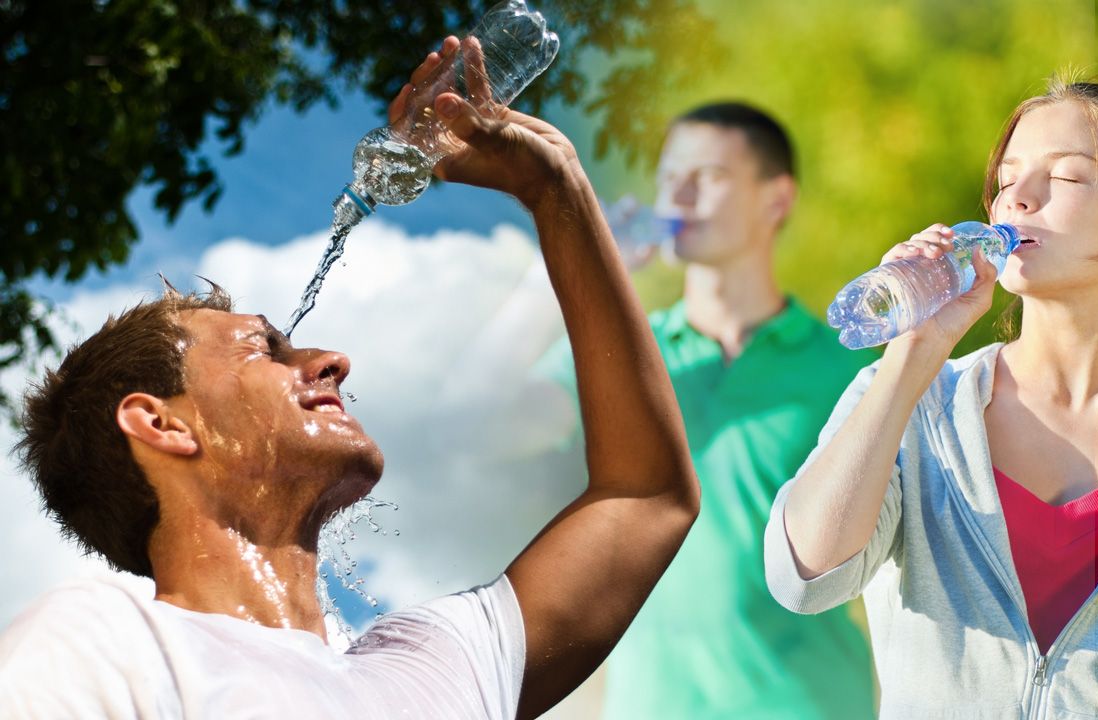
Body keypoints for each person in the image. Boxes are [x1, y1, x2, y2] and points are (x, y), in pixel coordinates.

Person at [0, 36, 698, 720]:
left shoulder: (441, 659)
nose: (331, 360)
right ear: (162, 423)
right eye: (263, 349)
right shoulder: (109, 646)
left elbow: (646, 496)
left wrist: (558, 189)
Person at [765, 74, 1098, 718]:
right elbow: (804, 578)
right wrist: (913, 354)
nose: (1018, 200)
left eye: (1062, 178)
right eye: (1007, 180)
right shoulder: (914, 402)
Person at [531, 102, 877, 718]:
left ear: (776, 201)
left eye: (708, 176)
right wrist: (579, 257)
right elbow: (496, 427)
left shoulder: (850, 374)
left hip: (810, 704)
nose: (678, 196)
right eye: (669, 178)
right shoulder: (612, 354)